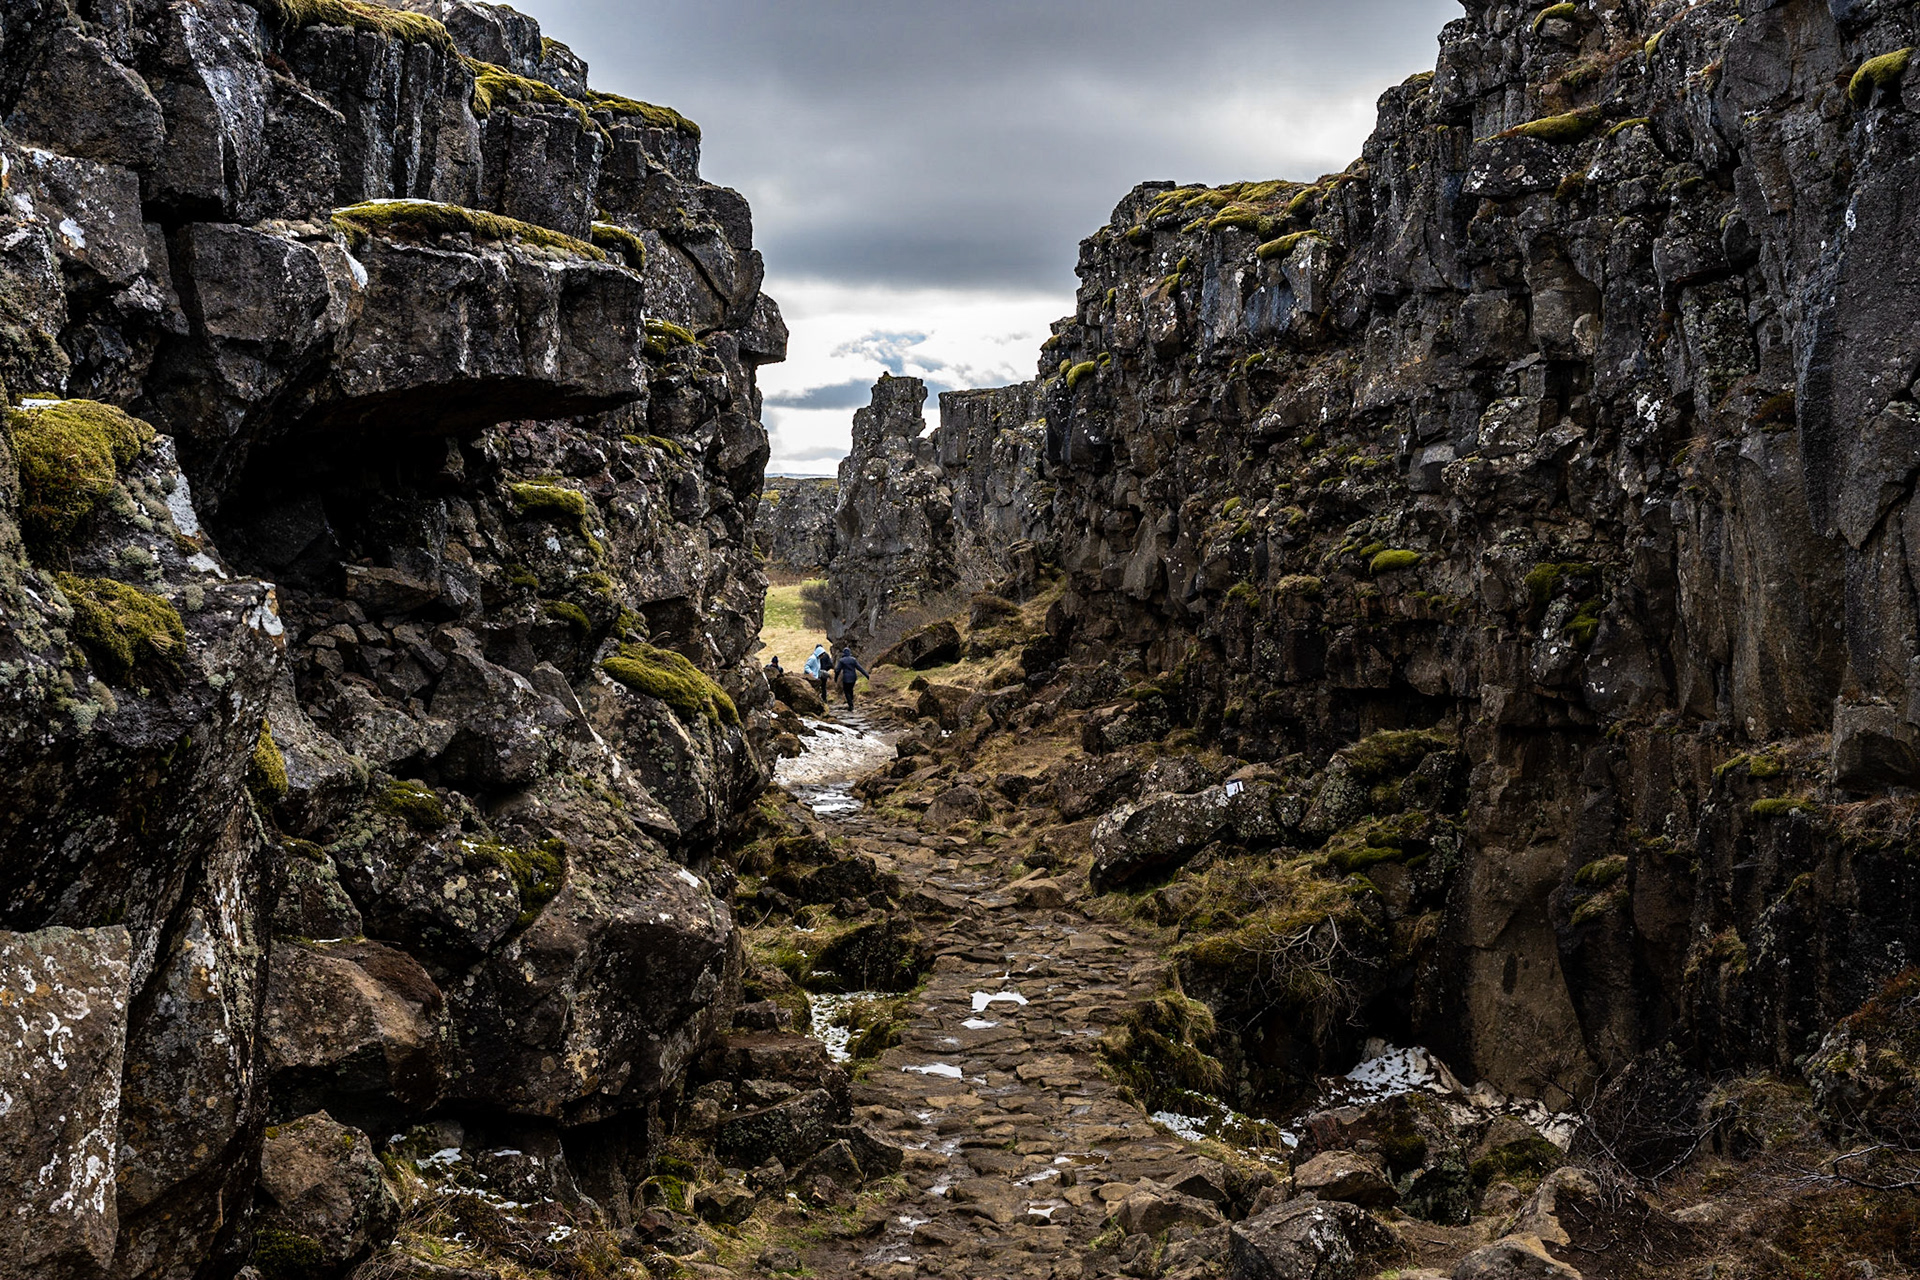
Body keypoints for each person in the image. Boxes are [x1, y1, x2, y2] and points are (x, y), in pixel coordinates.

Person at [834, 645, 870, 712]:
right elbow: (860, 668)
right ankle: (851, 702)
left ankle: (851, 705)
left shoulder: (841, 661)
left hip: (846, 678)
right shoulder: (853, 660)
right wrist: (867, 675)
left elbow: (837, 670)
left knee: (846, 691)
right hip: (853, 678)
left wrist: (835, 678)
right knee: (850, 689)